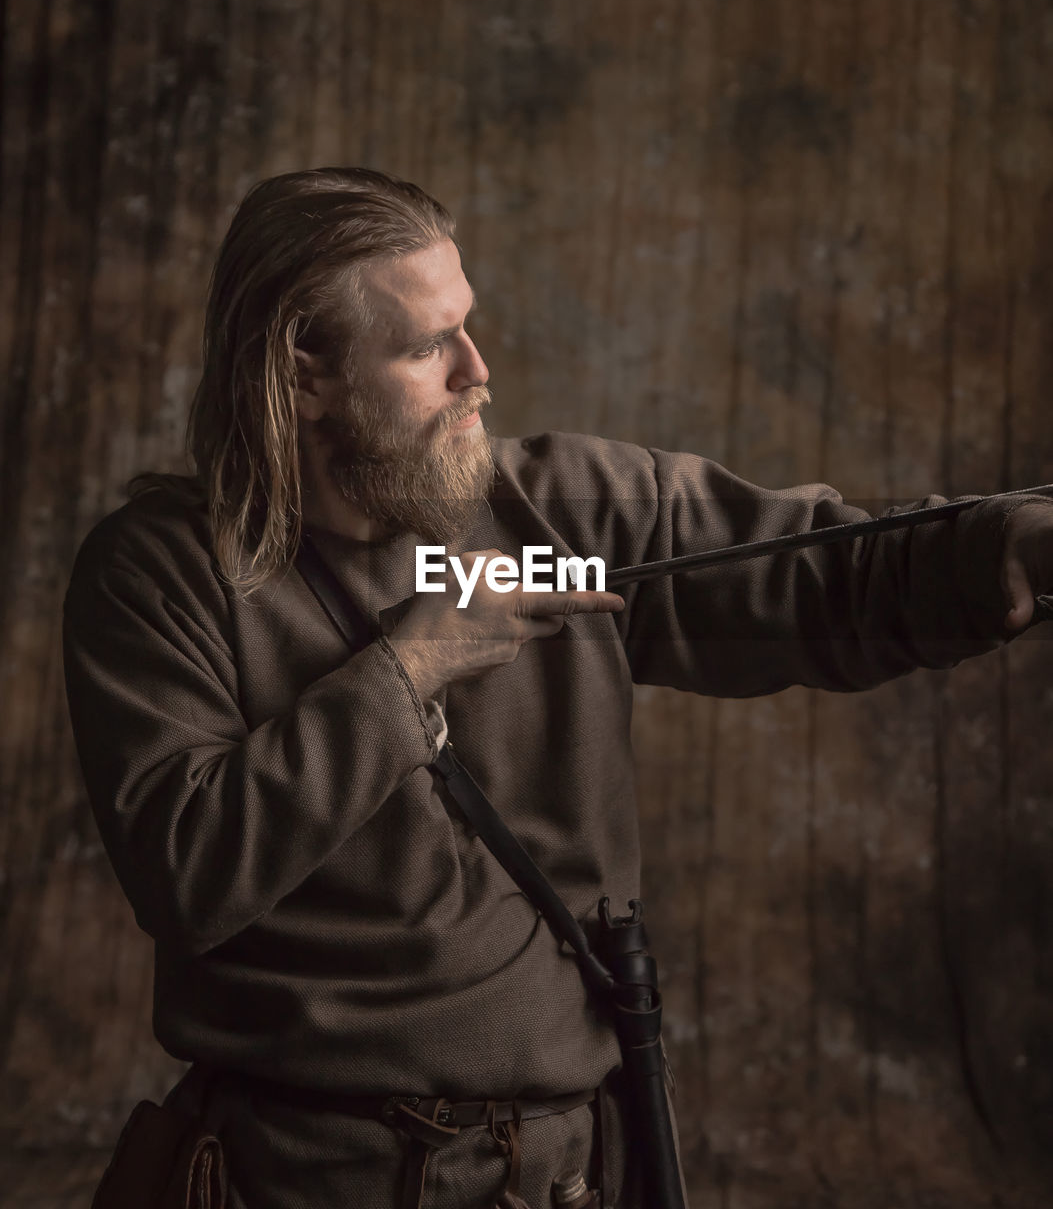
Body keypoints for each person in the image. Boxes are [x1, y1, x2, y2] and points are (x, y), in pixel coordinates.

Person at [63, 167, 1053, 1209]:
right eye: (423, 346)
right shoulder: (162, 572)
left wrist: (1008, 544)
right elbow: (186, 869)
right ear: (302, 371)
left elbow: (828, 570)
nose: (477, 370)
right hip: (307, 1175)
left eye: (467, 327)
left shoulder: (566, 514)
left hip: (562, 1173)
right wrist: (415, 663)